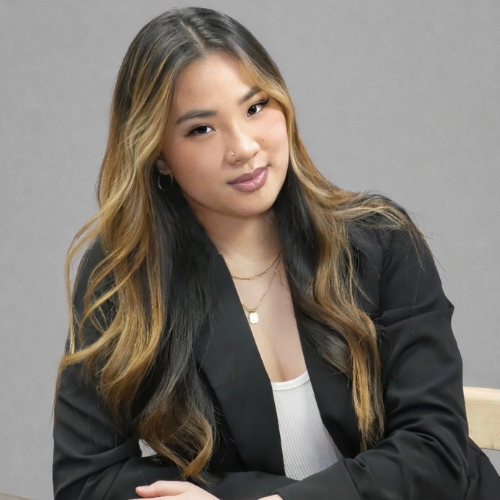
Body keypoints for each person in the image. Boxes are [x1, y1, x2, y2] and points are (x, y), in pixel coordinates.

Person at [52, 7, 500, 500]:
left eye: (255, 107)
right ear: (158, 153)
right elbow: (86, 482)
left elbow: (435, 451)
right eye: (202, 129)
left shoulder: (381, 241)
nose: (244, 147)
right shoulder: (125, 279)